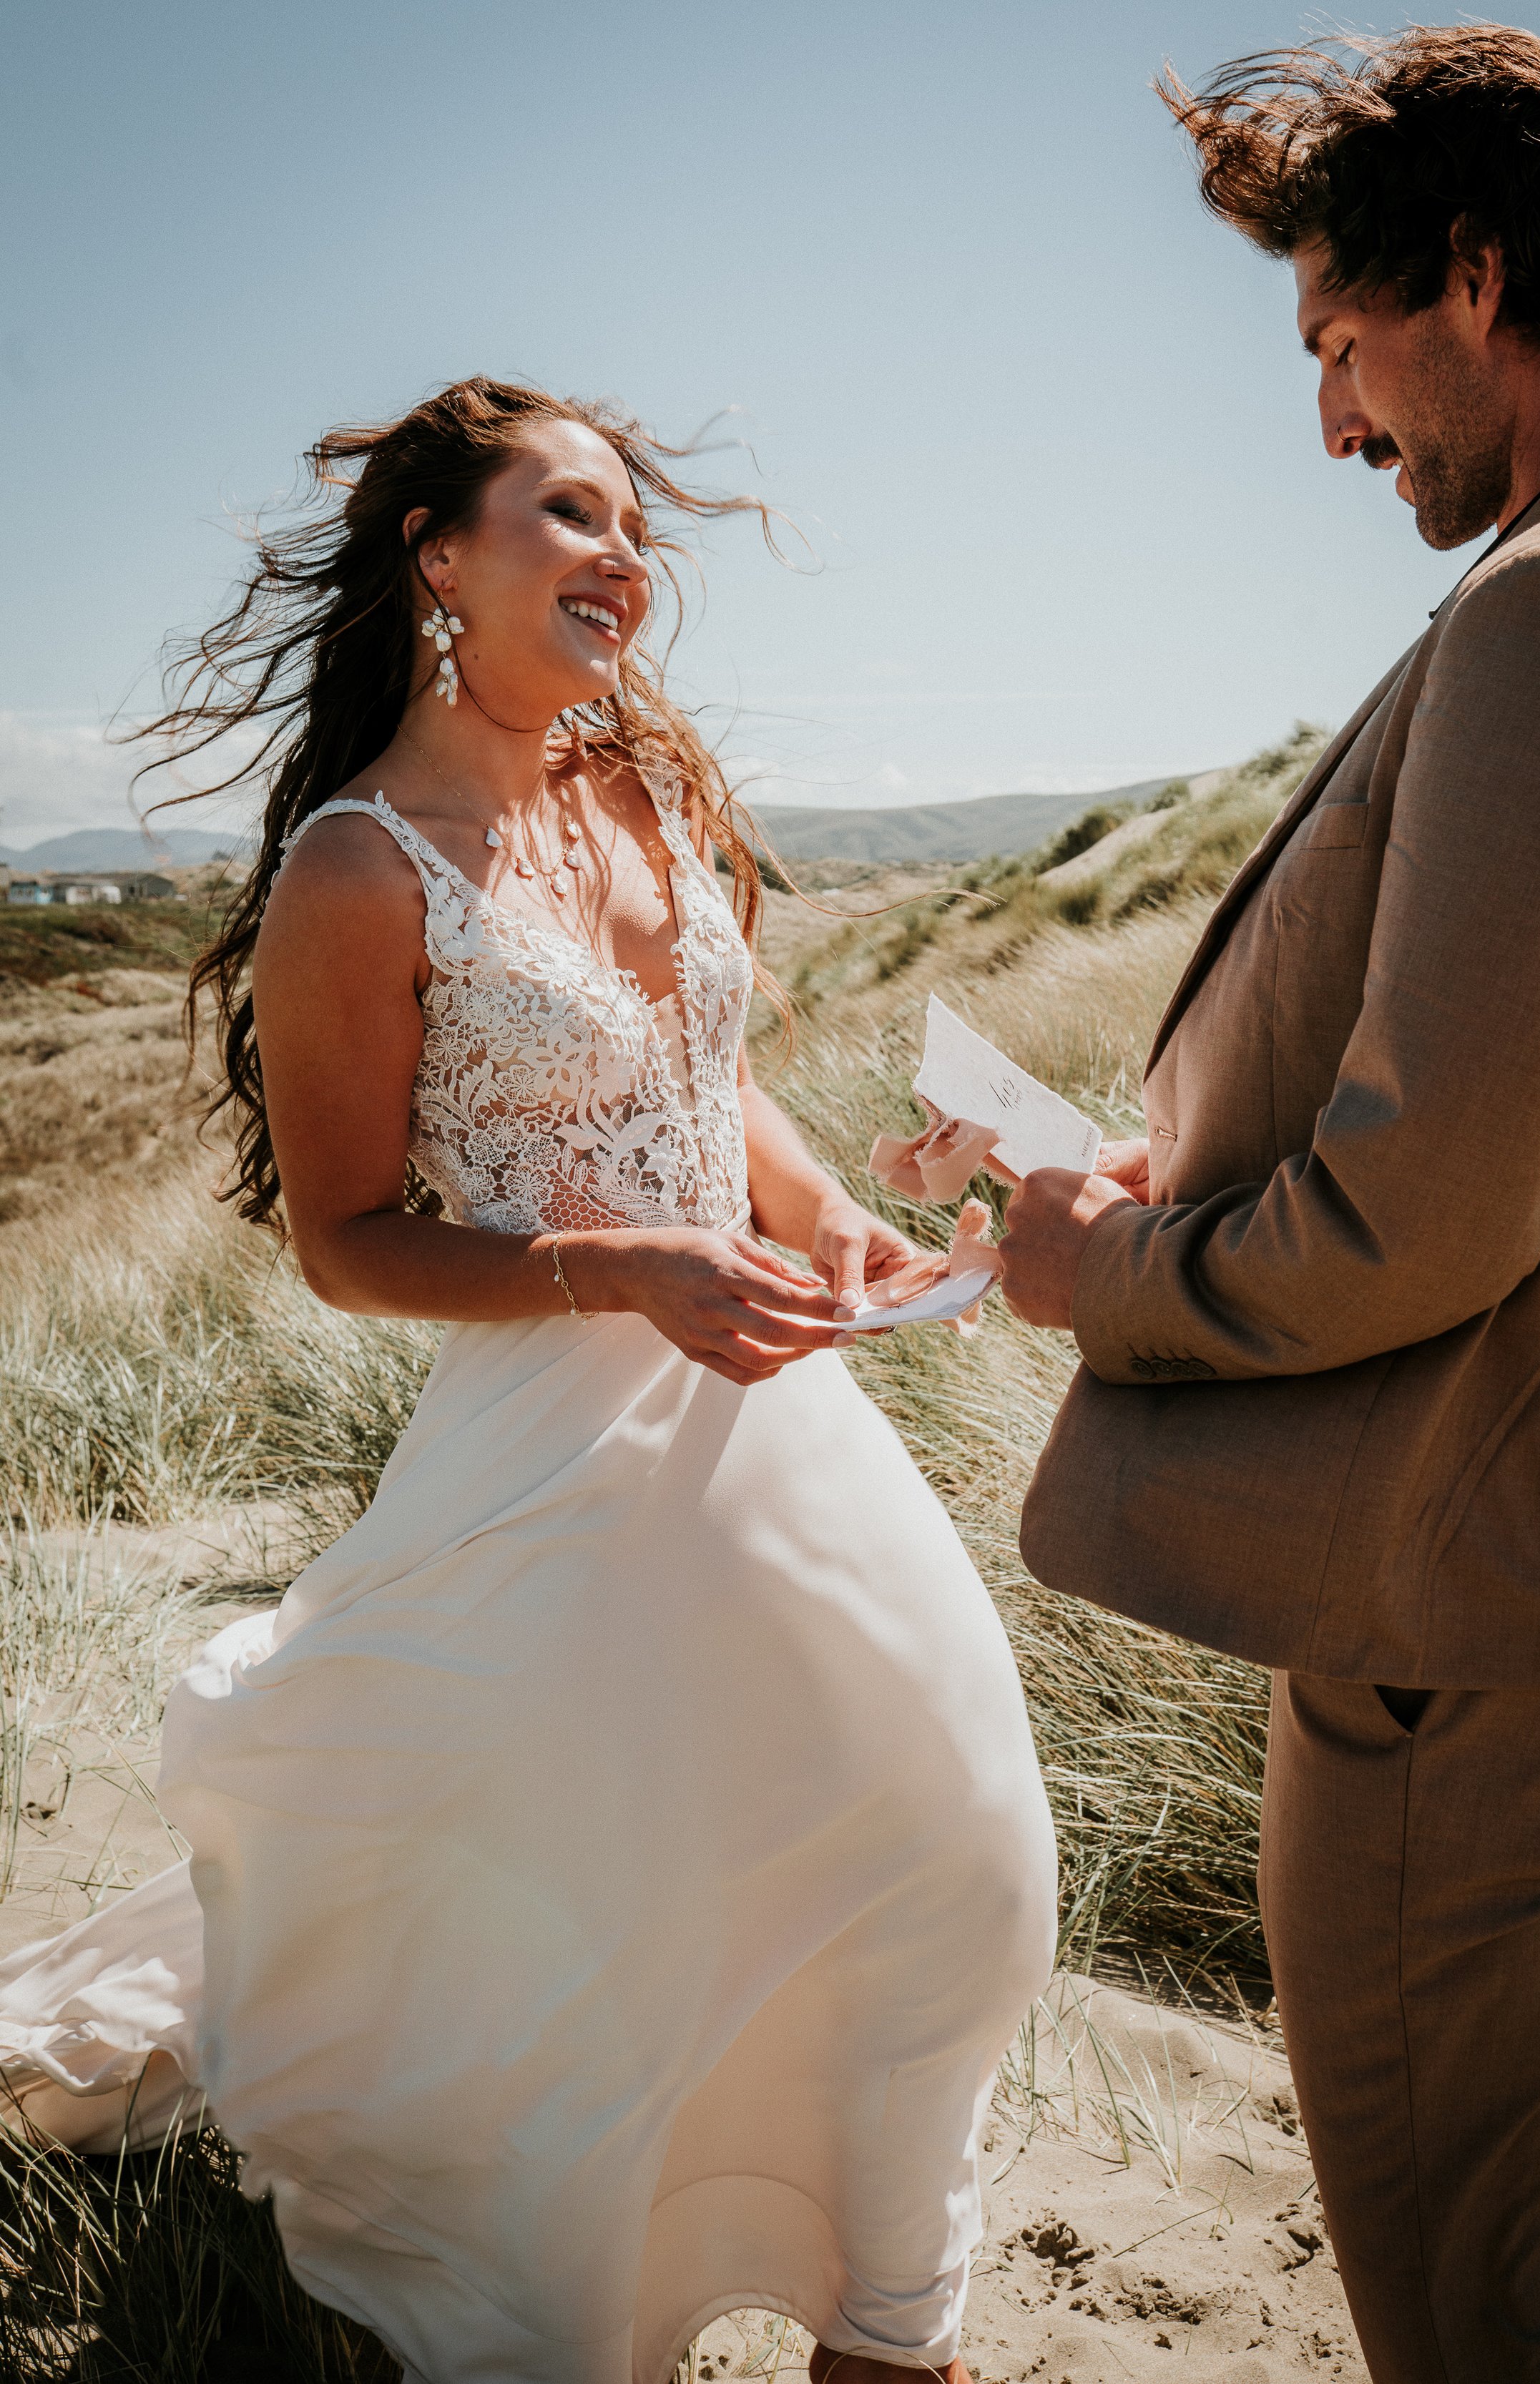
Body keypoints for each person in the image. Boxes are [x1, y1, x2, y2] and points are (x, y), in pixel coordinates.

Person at [0, 377, 1057, 2384]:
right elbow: (345, 1241)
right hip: (551, 1468)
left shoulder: (641, 780)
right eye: (566, 515)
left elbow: (708, 1081)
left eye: (630, 522)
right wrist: (619, 1269)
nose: (622, 553)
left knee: (959, 1849)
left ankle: (887, 2324)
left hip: (780, 1421)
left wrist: (834, 1225)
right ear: (435, 559)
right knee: (586, 1957)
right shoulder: (356, 871)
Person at [1000, 29, 1540, 2384]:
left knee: (1459, 2292)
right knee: (1539, 2175)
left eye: (1340, 352)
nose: (1332, 427)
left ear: (1470, 274)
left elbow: (1431, 1204)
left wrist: (1103, 1276)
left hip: (1464, 1572)